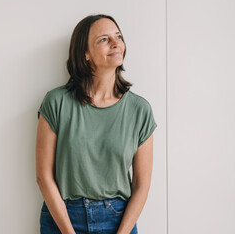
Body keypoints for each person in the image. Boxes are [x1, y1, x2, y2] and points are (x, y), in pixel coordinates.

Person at [35, 14, 157, 234]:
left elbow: (141, 184)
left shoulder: (140, 110)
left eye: (118, 36)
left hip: (118, 220)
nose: (115, 43)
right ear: (86, 54)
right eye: (104, 39)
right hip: (62, 218)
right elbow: (43, 175)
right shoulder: (56, 102)